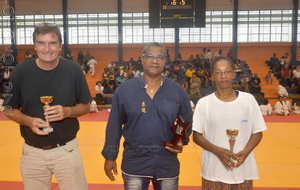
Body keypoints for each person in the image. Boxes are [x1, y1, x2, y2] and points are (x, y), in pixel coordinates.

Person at [3, 23, 92, 190]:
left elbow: (86, 106)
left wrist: (67, 111)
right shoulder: (22, 70)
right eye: (41, 43)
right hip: (32, 153)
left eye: (52, 43)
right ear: (34, 46)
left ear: (60, 45)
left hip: (66, 151)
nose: (47, 48)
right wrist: (29, 121)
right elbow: (9, 109)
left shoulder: (73, 70)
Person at [102, 42, 193, 190]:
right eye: (150, 56)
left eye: (159, 57)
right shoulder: (125, 91)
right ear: (142, 59)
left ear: (165, 61)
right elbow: (114, 126)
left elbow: (186, 119)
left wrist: (179, 138)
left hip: (166, 163)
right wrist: (110, 156)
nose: (154, 60)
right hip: (135, 162)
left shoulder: (177, 91)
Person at [192, 56, 267, 189]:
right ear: (212, 76)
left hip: (243, 170)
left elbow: (258, 132)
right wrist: (217, 151)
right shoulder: (204, 103)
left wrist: (245, 152)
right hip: (213, 171)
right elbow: (196, 136)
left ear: (233, 74)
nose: (223, 76)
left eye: (227, 71)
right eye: (218, 72)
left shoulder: (248, 100)